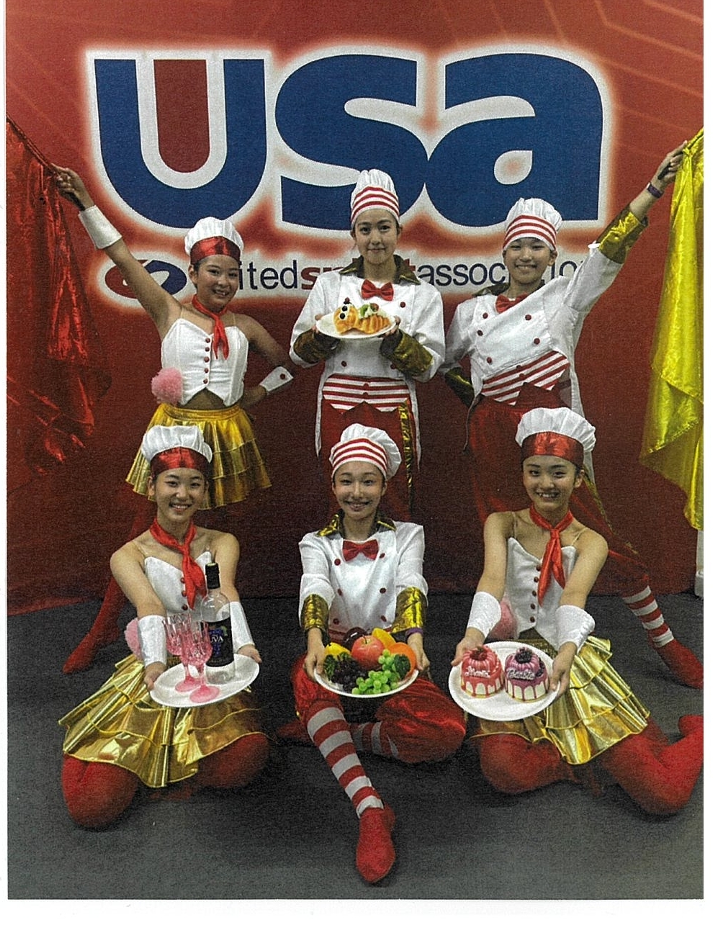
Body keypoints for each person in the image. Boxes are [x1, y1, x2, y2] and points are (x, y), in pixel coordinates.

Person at [441, 143, 702, 688]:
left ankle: (666, 642)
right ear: (504, 251)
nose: (526, 256)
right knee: (507, 544)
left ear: (550, 253)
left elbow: (610, 250)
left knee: (599, 537)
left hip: (550, 438)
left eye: (537, 247)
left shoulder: (566, 298)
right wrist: (483, 402)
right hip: (491, 441)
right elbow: (442, 363)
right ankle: (512, 657)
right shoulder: (471, 311)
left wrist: (653, 189)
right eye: (518, 246)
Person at [53, 166, 293, 671]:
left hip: (229, 439)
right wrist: (86, 202)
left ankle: (216, 632)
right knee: (144, 534)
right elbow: (120, 255)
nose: (223, 282)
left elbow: (290, 365)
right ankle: (103, 630)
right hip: (174, 434)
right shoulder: (169, 312)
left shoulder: (246, 325)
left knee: (216, 541)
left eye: (232, 273)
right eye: (214, 272)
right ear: (194, 272)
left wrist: (253, 395)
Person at [451, 407, 703, 816]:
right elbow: (492, 582)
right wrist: (473, 635)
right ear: (522, 474)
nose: (545, 483)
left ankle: (701, 735)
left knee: (663, 796)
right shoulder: (501, 524)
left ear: (579, 478)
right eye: (534, 472)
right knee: (501, 771)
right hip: (512, 660)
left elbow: (573, 598)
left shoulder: (591, 541)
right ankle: (581, 759)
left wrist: (567, 652)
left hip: (569, 658)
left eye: (558, 473)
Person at [277, 424, 466, 883]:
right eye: (347, 480)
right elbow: (315, 586)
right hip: (337, 652)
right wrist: (315, 643)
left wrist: (415, 641)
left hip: (391, 651)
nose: (356, 492)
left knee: (448, 733)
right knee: (306, 678)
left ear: (384, 486)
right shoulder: (315, 542)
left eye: (368, 481)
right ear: (333, 485)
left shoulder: (408, 535)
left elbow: (410, 583)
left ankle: (338, 733)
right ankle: (370, 807)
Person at [59, 425, 269, 828]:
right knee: (92, 806)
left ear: (204, 492)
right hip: (160, 665)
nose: (182, 494)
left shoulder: (222, 541)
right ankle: (114, 758)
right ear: (151, 487)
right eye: (172, 482)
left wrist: (243, 647)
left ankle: (168, 767)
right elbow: (150, 605)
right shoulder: (128, 554)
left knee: (247, 758)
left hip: (212, 663)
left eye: (194, 484)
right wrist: (155, 666)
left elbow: (223, 593)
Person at [289, 169, 444, 520]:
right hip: (338, 405)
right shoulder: (329, 286)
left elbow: (428, 368)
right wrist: (324, 335)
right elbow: (297, 354)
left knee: (396, 495)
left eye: (384, 228)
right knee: (341, 495)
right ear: (354, 235)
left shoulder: (423, 294)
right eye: (365, 229)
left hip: (393, 407)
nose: (375, 238)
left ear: (399, 231)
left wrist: (395, 341)